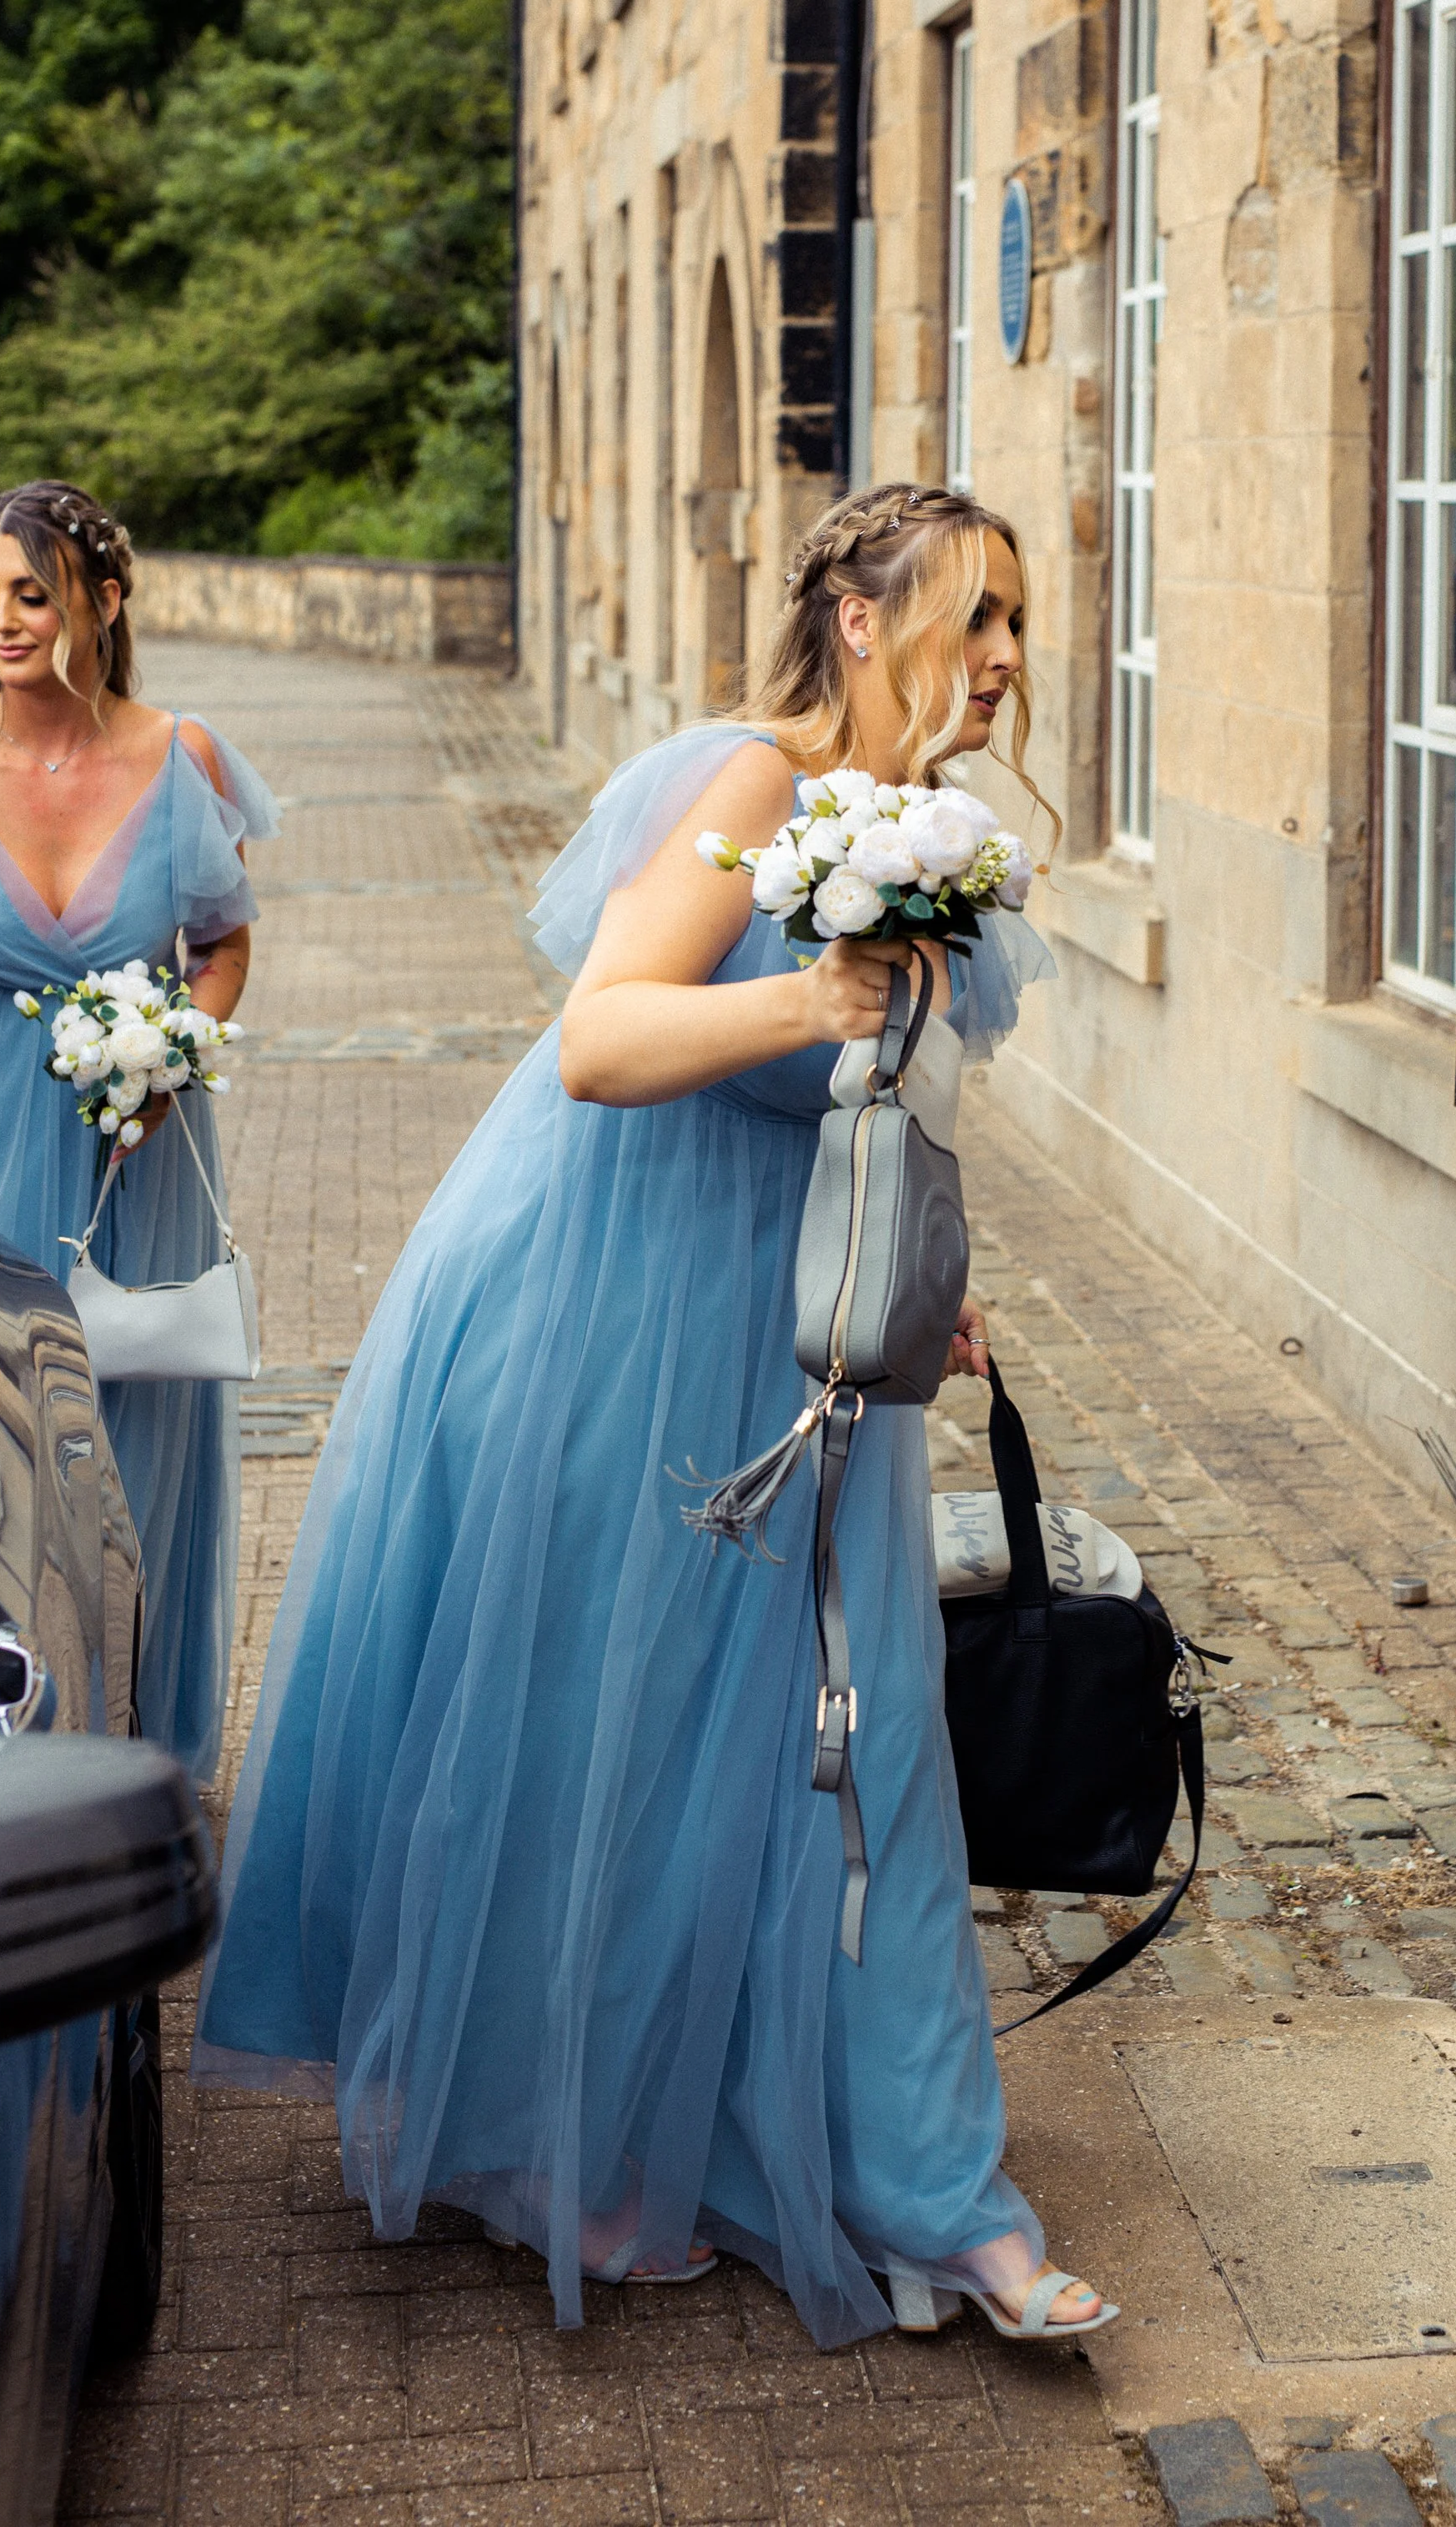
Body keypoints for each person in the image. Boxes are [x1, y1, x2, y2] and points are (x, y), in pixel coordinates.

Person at [193, 480, 1115, 2348]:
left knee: (870, 1750)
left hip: (805, 1339)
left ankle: (938, 2192)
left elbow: (894, 1095)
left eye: (1024, 620)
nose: (1011, 659)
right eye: (979, 614)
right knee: (612, 1725)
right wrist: (813, 1000)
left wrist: (934, 1280)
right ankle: (570, 2141)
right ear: (861, 621)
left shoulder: (930, 835)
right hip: (611, 1313)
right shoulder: (749, 786)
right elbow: (603, 1039)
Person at [0, 483, 278, 1782]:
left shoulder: (185, 757)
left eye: (33, 595)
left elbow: (222, 942)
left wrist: (176, 1050)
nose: (4, 622)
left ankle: (127, 1749)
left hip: (136, 1154)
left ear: (101, 603)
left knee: (130, 1449)